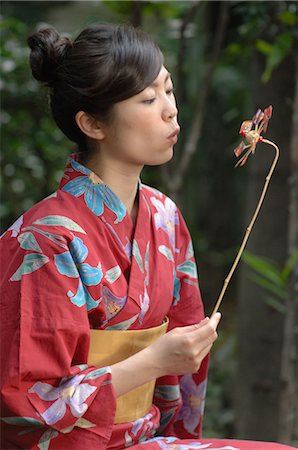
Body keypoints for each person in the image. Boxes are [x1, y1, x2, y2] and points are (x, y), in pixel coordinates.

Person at [0, 23, 294, 450]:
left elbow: (182, 370)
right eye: (148, 98)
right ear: (92, 123)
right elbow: (24, 405)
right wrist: (153, 361)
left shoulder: (165, 218)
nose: (170, 110)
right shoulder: (43, 240)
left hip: (143, 440)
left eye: (169, 90)